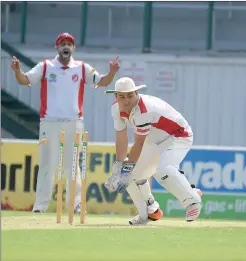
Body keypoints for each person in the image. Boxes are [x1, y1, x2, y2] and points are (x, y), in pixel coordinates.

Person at [11, 32, 120, 213]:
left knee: (72, 165)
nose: (66, 46)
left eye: (69, 44)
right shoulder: (45, 66)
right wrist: (17, 71)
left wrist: (112, 72)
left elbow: (102, 82)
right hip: (49, 123)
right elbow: (25, 80)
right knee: (47, 163)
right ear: (57, 47)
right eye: (63, 44)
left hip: (74, 123)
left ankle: (75, 205)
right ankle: (40, 206)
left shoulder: (82, 67)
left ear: (73, 48)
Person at [104, 77, 202, 225]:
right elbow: (121, 136)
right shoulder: (116, 109)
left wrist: (126, 169)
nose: (126, 101)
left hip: (178, 136)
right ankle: (149, 212)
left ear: (136, 93)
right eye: (122, 96)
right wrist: (119, 165)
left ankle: (192, 201)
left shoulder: (144, 111)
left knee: (162, 170)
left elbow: (138, 143)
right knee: (130, 176)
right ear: (115, 96)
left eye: (130, 95)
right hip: (154, 140)